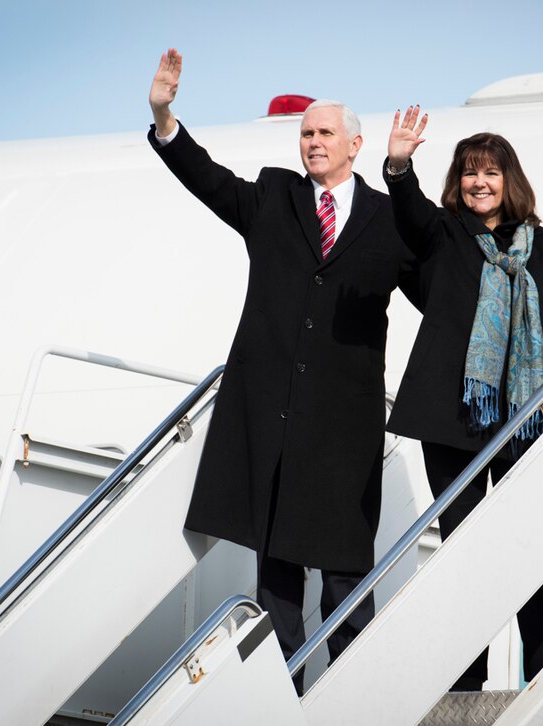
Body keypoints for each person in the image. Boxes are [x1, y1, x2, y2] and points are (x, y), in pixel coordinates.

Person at [147, 50, 420, 691]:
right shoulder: (274, 196)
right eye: (306, 133)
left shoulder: (387, 219)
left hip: (345, 425)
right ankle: (283, 698)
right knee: (278, 579)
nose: (312, 141)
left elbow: (436, 287)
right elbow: (208, 180)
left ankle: (353, 696)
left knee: (347, 570)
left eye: (325, 132)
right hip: (277, 419)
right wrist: (165, 118)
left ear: (355, 144)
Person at [383, 106, 543, 690]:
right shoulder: (443, 235)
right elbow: (408, 214)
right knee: (463, 548)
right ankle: (465, 683)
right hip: (452, 417)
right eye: (467, 172)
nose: (478, 182)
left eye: (489, 172)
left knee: (530, 540)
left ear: (510, 181)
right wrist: (400, 165)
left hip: (521, 415)